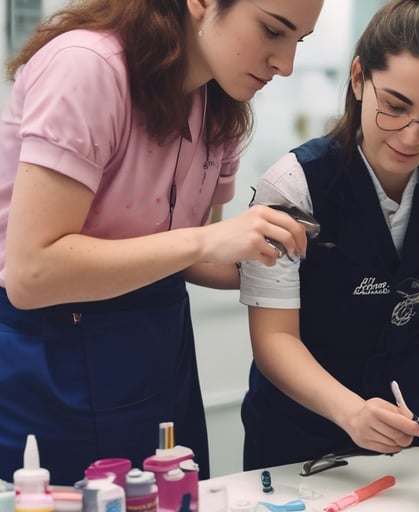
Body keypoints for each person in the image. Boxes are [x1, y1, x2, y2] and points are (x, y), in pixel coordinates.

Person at [0, 0, 323, 484]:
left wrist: (286, 262)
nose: (286, 64)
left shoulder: (220, 102)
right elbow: (31, 274)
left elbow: (188, 259)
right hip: (53, 359)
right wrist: (204, 241)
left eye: (299, 40)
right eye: (272, 31)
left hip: (159, 353)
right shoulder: (88, 69)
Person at [239, 0, 419, 470]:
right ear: (359, 78)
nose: (410, 137)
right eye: (395, 107)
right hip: (299, 446)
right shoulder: (295, 186)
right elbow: (274, 340)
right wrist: (352, 412)